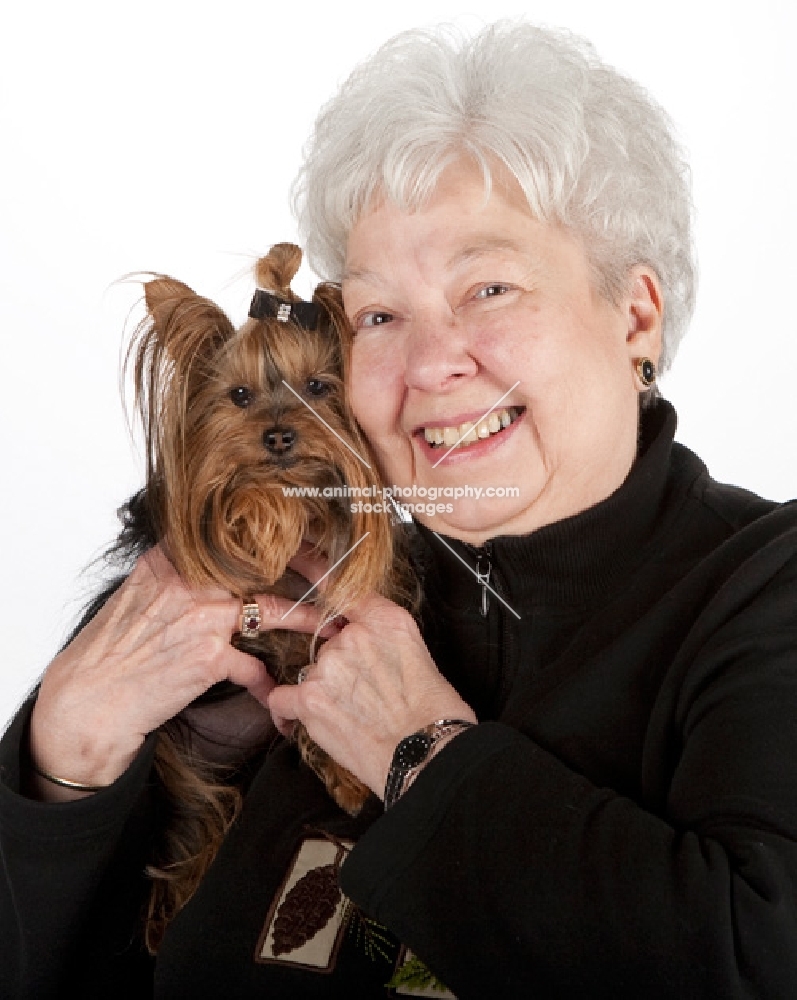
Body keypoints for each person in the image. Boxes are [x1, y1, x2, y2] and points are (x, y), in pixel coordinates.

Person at [2, 21, 797, 1000]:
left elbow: (756, 960)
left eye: (488, 287)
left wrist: (418, 753)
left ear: (634, 315)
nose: (427, 366)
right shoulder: (273, 598)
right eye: (379, 315)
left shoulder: (768, 587)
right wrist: (66, 752)